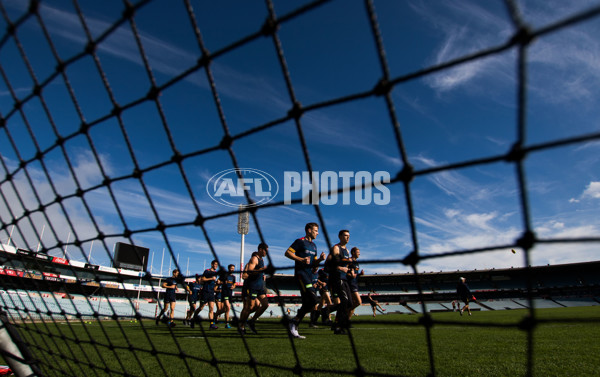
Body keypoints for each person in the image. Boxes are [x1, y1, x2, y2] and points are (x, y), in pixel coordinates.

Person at [284, 222, 325, 339]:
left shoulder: (314, 246)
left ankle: (294, 323)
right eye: (316, 230)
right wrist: (301, 259)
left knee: (310, 303)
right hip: (301, 275)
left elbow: (314, 263)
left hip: (310, 276)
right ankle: (294, 322)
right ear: (308, 230)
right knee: (313, 299)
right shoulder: (300, 241)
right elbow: (287, 253)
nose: (317, 233)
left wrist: (320, 260)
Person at [326, 229, 353, 334]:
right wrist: (340, 268)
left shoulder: (347, 250)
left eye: (349, 236)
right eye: (345, 235)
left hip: (344, 278)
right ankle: (338, 326)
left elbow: (344, 265)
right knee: (344, 301)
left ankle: (326, 311)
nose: (348, 237)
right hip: (336, 277)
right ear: (340, 237)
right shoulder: (336, 248)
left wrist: (349, 271)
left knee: (349, 303)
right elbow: (328, 263)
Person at [239, 243, 270, 334]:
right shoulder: (254, 259)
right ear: (260, 249)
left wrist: (263, 275)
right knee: (250, 307)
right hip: (252, 287)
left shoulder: (262, 260)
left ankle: (251, 321)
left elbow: (259, 272)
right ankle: (241, 326)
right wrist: (261, 270)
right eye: (266, 251)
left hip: (260, 287)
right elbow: (249, 272)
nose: (267, 253)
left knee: (265, 305)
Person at [214, 264, 236, 329]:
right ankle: (227, 323)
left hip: (230, 293)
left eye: (233, 268)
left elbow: (234, 284)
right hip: (225, 292)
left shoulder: (233, 277)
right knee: (228, 307)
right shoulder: (225, 275)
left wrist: (233, 286)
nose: (232, 269)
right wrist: (223, 282)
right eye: (231, 268)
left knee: (224, 309)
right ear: (229, 268)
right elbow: (218, 281)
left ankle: (215, 315)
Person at [200, 260, 220, 329]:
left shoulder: (215, 273)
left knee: (211, 308)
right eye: (215, 264)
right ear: (212, 264)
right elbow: (202, 279)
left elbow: (213, 281)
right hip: (205, 291)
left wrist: (217, 282)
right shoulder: (207, 271)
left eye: (217, 265)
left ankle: (212, 324)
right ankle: (193, 318)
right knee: (201, 307)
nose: (216, 266)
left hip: (211, 292)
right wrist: (211, 278)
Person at [348, 247, 364, 317]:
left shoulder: (357, 263)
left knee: (353, 303)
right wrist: (350, 275)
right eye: (358, 252)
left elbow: (355, 274)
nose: (359, 254)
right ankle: (345, 311)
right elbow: (344, 272)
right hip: (350, 284)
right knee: (358, 302)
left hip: (355, 283)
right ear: (353, 253)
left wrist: (360, 274)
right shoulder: (349, 260)